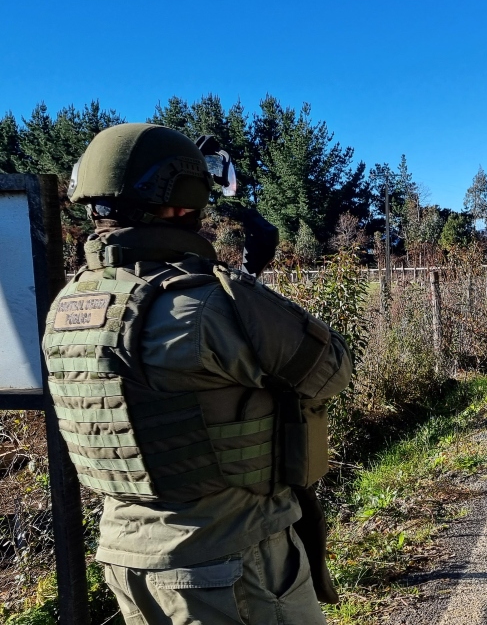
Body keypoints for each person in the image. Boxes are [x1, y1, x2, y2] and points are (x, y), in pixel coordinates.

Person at [42, 123, 352, 624]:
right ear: (184, 201)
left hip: (127, 560)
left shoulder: (67, 306)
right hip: (230, 563)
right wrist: (248, 290)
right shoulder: (208, 303)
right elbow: (331, 369)